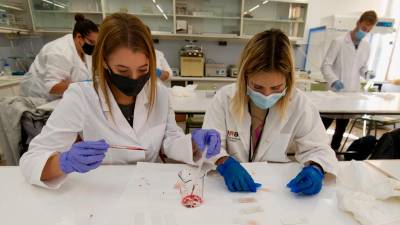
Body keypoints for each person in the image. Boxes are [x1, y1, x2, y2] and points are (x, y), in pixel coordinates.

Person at [19, 13, 221, 189]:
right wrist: (63, 162)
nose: (134, 78)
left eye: (143, 70)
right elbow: (31, 160)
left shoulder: (159, 94)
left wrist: (193, 143)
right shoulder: (81, 96)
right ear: (104, 62)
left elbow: (170, 139)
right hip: (103, 190)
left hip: (150, 187)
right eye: (123, 71)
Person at [202, 29, 338, 195]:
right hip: (228, 190)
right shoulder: (224, 98)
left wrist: (316, 169)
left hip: (277, 190)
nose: (266, 95)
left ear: (288, 80)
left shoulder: (300, 104)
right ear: (244, 77)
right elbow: (208, 141)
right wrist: (224, 162)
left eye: (276, 87)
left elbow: (319, 148)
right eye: (257, 87)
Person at [321, 10, 378, 151]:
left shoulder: (366, 46)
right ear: (358, 23)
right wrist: (334, 81)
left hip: (350, 95)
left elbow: (362, 67)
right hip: (334, 94)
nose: (365, 32)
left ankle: (334, 152)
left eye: (368, 30)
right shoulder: (339, 42)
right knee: (323, 126)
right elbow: (326, 65)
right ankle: (316, 150)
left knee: (341, 129)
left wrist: (367, 73)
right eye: (364, 28)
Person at [20, 14, 99, 101]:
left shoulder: (83, 50)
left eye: (96, 43)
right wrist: (81, 86)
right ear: (79, 37)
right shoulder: (59, 51)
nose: (93, 46)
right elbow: (52, 86)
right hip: (39, 97)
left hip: (63, 97)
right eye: (91, 42)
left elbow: (86, 75)